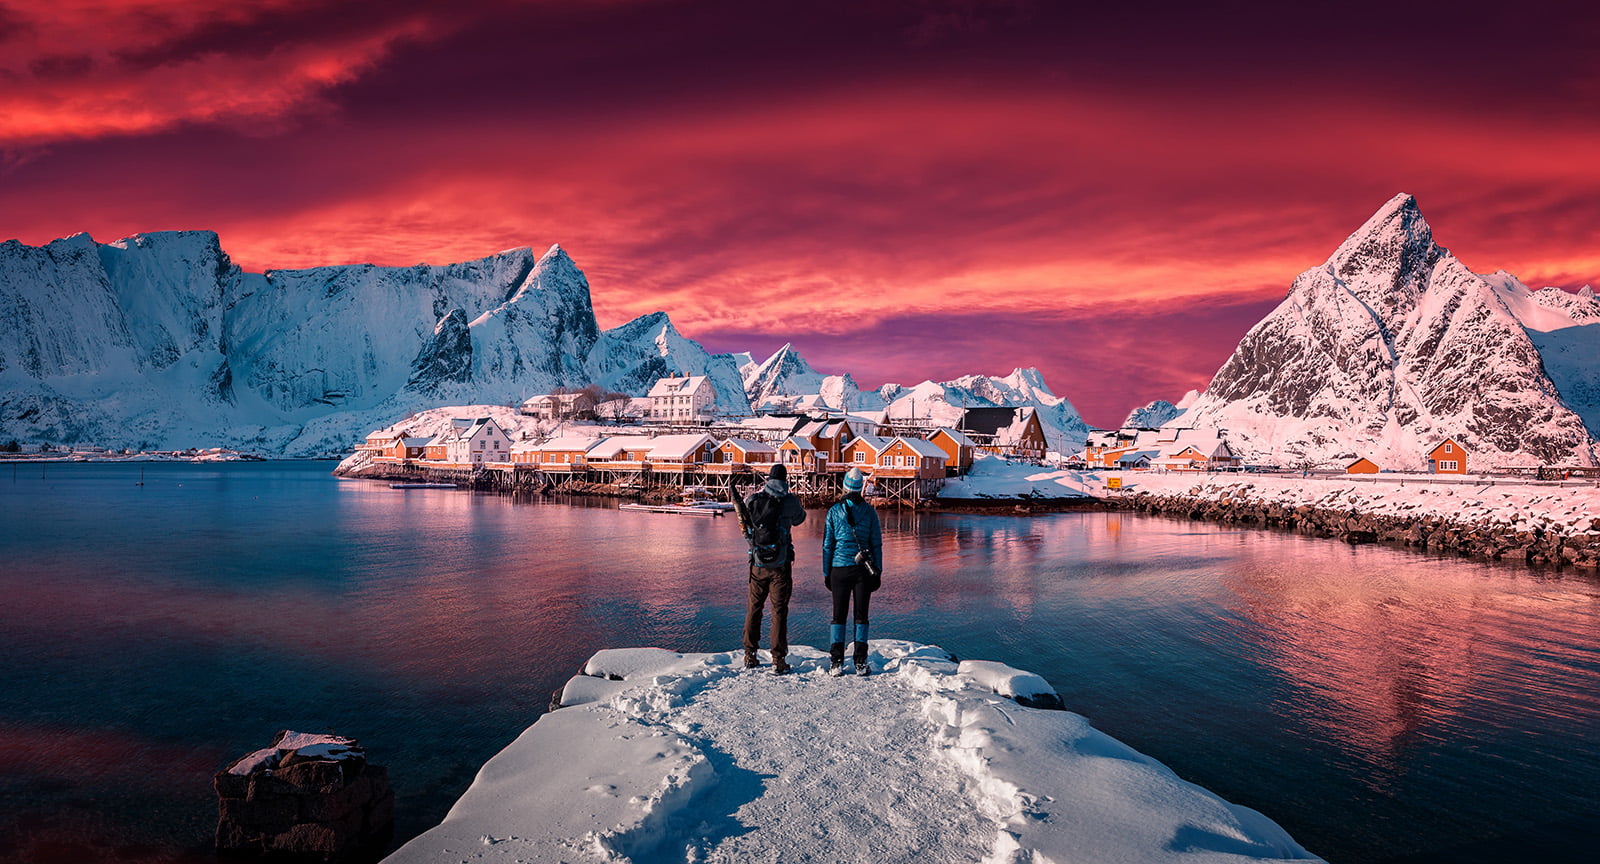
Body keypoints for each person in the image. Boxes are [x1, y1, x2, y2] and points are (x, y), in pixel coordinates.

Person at [741, 462, 806, 675]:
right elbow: (801, 519)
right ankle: (778, 659)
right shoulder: (790, 501)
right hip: (781, 565)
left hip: (758, 564)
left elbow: (745, 521)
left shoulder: (754, 499)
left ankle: (750, 654)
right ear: (785, 480)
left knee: (754, 608)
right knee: (778, 611)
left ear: (768, 479)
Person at [822, 467, 882, 676]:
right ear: (860, 489)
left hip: (839, 569)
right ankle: (860, 662)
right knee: (861, 616)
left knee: (838, 615)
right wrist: (878, 571)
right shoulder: (870, 512)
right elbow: (876, 545)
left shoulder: (834, 511)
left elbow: (828, 545)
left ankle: (836, 662)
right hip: (862, 571)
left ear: (845, 486)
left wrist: (826, 572)